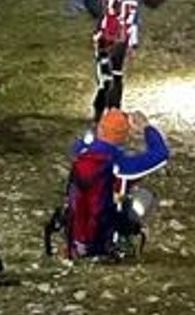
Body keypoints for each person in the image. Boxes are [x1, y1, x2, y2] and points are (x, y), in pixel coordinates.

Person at [48, 108, 170, 260]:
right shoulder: (119, 165)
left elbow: (83, 142)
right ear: (123, 136)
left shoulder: (81, 152)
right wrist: (146, 127)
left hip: (75, 233)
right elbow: (161, 154)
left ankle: (78, 245)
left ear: (100, 129)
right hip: (101, 239)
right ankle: (120, 242)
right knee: (145, 196)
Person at [69, 0, 168, 118]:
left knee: (112, 69)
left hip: (117, 21)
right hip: (116, 20)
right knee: (113, 69)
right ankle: (107, 106)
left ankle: (106, 106)